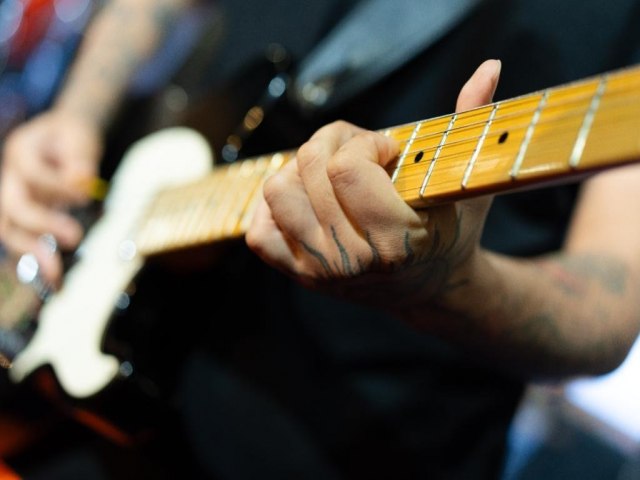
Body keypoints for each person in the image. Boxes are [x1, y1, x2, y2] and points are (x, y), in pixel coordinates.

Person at [0, 0, 639, 479]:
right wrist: (77, 115)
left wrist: (447, 284)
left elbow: (607, 306)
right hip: (89, 399)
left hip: (353, 446)